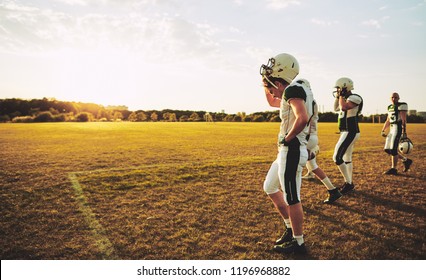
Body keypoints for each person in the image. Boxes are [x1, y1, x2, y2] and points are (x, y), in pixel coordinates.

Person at [260, 53, 312, 254]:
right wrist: (265, 85)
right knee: (270, 186)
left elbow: (302, 118)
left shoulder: (294, 88)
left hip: (290, 151)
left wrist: (287, 138)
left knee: (292, 197)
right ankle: (290, 229)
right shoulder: (292, 91)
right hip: (286, 151)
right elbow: (273, 101)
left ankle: (298, 243)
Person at [297, 79, 342, 204]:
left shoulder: (303, 101)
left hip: (306, 137)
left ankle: (293, 200)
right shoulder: (313, 101)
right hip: (312, 136)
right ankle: (333, 190)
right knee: (313, 166)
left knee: (294, 168)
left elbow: (301, 119)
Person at [332, 77, 363, 194]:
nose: (338, 90)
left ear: (345, 87)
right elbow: (336, 108)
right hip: (345, 131)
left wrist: (341, 96)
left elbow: (344, 107)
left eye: (339, 88)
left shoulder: (355, 97)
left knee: (337, 157)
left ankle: (349, 183)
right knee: (347, 158)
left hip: (350, 131)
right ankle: (348, 182)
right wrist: (338, 97)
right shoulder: (344, 98)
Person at [381, 92, 413, 175]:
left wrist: (404, 131)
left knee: (393, 149)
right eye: (392, 97)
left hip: (397, 128)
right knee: (387, 149)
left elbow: (403, 120)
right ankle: (406, 160)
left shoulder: (401, 105)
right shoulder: (390, 107)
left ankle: (393, 168)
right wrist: (383, 129)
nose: (393, 99)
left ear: (399, 98)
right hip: (391, 128)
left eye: (395, 97)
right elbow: (388, 120)